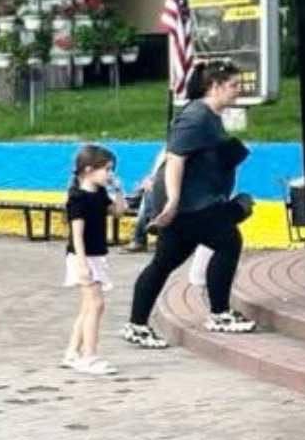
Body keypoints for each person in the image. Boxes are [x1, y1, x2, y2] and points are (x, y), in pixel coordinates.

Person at [121, 60, 257, 347]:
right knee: (228, 242)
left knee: (163, 263)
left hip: (196, 204)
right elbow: (175, 159)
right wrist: (172, 202)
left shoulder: (210, 116)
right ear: (215, 86)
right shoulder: (196, 116)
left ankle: (136, 325)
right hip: (190, 206)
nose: (238, 90)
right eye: (234, 85)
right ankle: (219, 314)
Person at [63, 144, 126, 376]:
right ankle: (89, 356)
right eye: (107, 169)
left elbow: (118, 212)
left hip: (97, 255)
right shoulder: (77, 199)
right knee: (96, 305)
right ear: (89, 170)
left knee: (88, 307)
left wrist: (118, 191)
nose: (110, 174)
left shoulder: (99, 194)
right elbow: (76, 235)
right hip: (83, 257)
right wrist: (82, 264)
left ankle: (72, 352)